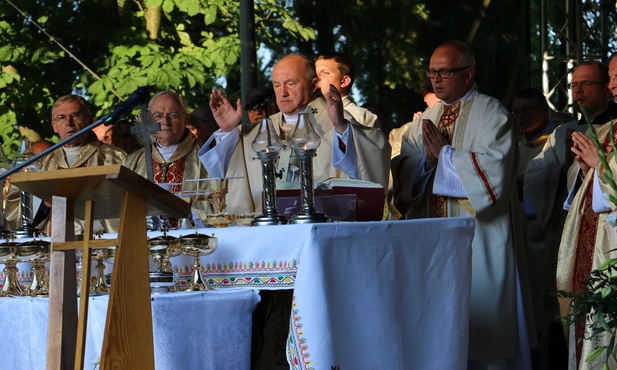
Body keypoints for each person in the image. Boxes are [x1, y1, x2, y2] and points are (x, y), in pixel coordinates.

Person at [391, 40, 535, 367]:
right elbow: (405, 166)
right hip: (433, 242)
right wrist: (428, 163)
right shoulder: (428, 116)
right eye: (432, 72)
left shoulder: (492, 113)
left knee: (485, 341)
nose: (435, 79)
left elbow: (494, 172)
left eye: (444, 72)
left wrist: (444, 156)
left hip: (481, 240)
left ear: (468, 74)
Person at [198, 53, 391, 215]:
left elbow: (374, 150)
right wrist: (227, 132)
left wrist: (342, 128)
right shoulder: (256, 132)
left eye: (291, 84)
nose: (282, 93)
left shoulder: (337, 120)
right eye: (276, 85)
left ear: (314, 84)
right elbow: (217, 174)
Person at [556, 56, 617, 370]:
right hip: (591, 245)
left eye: (616, 77)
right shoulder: (609, 128)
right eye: (610, 77)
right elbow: (593, 177)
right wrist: (585, 171)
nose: (612, 84)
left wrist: (599, 167)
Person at [5, 95, 126, 233]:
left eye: (75, 115)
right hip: (52, 245)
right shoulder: (40, 162)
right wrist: (44, 203)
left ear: (89, 121)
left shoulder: (114, 157)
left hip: (99, 242)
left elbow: (129, 202)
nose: (69, 122)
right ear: (54, 126)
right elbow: (14, 210)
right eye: (61, 118)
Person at [122, 91, 210, 227]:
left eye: (173, 115)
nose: (165, 122)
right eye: (158, 116)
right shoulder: (131, 163)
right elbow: (121, 209)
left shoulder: (207, 157)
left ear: (186, 119)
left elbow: (216, 204)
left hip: (189, 240)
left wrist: (181, 206)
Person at [315, 52, 380, 128]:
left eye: (325, 73)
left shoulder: (362, 117)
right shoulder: (307, 114)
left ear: (344, 81)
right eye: (314, 73)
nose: (316, 78)